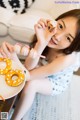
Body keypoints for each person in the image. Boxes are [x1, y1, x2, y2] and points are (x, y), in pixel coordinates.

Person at [0, 9, 80, 120]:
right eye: (61, 26)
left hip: (56, 80)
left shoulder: (66, 59)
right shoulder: (47, 32)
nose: (57, 36)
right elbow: (28, 67)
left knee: (32, 85)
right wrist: (41, 43)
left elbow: (28, 76)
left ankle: (16, 118)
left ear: (74, 45)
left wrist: (13, 57)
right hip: (42, 66)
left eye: (68, 38)